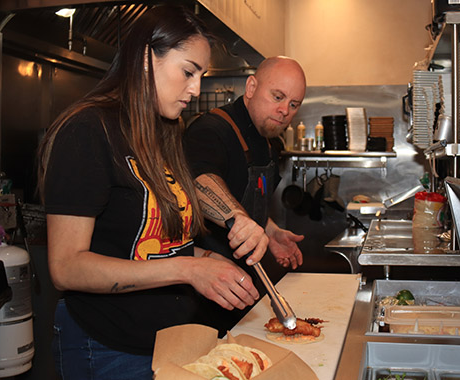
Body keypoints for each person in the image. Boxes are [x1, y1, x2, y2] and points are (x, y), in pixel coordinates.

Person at [36, 6, 263, 380]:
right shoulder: (88, 130)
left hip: (174, 341)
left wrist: (209, 261)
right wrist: (190, 270)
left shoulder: (166, 132)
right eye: (188, 72)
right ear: (145, 58)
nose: (196, 89)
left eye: (201, 76)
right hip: (107, 348)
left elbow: (160, 241)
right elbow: (65, 267)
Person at [183, 56, 307, 333]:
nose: (284, 110)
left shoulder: (269, 142)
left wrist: (270, 230)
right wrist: (239, 218)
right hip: (202, 295)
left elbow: (249, 198)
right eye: (277, 96)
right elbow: (199, 180)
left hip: (244, 286)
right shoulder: (210, 130)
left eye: (293, 104)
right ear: (251, 87)